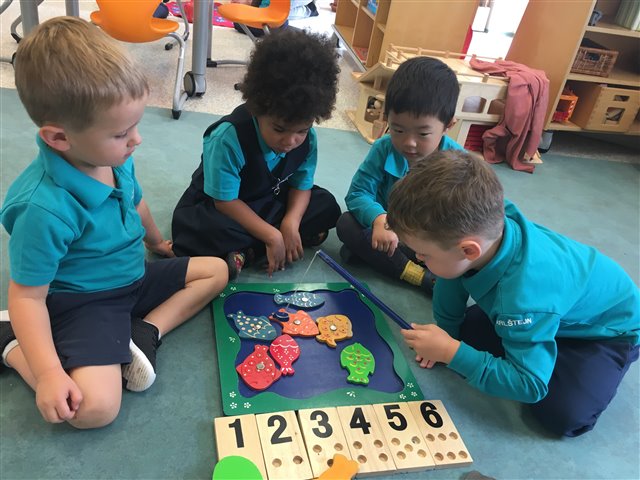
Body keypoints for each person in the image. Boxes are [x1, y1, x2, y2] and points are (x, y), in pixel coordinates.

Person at [0, 17, 228, 429]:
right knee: (94, 410)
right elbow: (27, 297)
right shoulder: (42, 209)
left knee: (216, 270)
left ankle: (146, 332)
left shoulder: (113, 158)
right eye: (122, 132)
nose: (136, 140)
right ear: (59, 138)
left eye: (135, 126)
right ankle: (12, 343)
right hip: (85, 302)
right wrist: (49, 374)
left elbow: (136, 205)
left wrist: (157, 243)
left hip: (132, 278)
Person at [386, 150, 640, 437]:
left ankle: (556, 351)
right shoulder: (485, 226)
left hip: (606, 331)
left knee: (562, 414)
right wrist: (448, 333)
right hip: (547, 307)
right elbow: (452, 276)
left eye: (423, 254)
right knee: (467, 331)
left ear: (469, 250)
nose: (419, 259)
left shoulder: (521, 300)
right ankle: (537, 343)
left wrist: (450, 351)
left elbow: (531, 385)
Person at [172, 28, 341, 278]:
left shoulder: (308, 139)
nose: (290, 141)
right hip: (226, 206)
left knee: (326, 205)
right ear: (258, 108)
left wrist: (291, 222)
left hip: (269, 201)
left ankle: (246, 252)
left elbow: (301, 186)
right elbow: (224, 202)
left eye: (302, 131)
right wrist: (272, 235)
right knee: (197, 233)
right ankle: (263, 245)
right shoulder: (228, 138)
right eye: (279, 129)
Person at [336, 56, 464, 294]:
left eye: (423, 134)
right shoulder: (383, 148)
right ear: (387, 118)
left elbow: (465, 216)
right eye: (398, 129)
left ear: (448, 125)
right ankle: (420, 278)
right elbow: (358, 193)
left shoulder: (458, 162)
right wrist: (380, 220)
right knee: (346, 224)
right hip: (388, 230)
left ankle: (379, 257)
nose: (409, 142)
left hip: (427, 240)